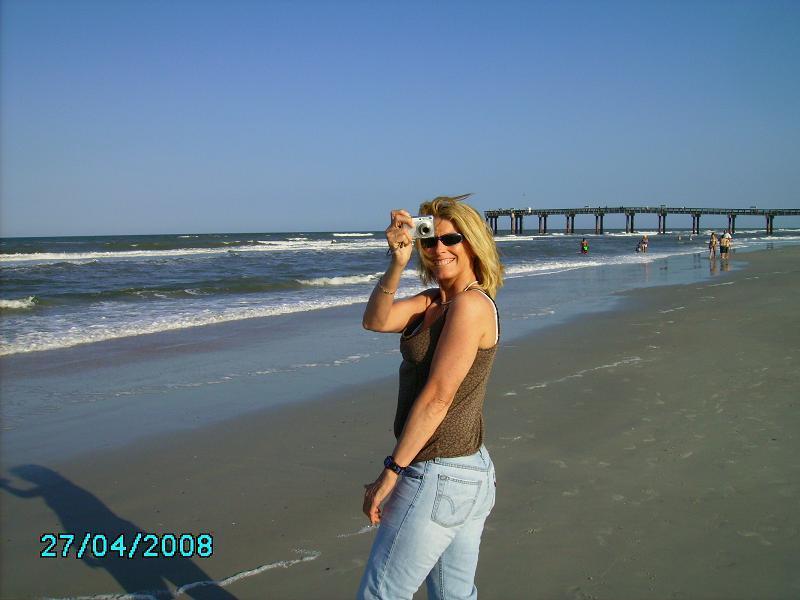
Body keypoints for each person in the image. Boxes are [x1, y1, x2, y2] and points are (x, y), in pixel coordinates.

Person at [358, 195, 504, 600]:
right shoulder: (436, 302)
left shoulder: (471, 306)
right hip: (464, 472)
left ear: (472, 242)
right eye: (430, 241)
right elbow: (375, 320)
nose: (439, 249)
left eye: (451, 238)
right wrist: (397, 262)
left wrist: (392, 470)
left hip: (438, 473)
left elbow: (438, 397)